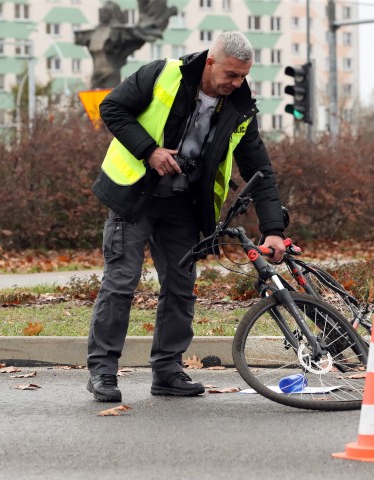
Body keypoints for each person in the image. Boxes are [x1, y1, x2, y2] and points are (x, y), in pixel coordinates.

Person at [87, 31, 286, 402]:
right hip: (135, 197)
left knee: (180, 288)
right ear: (210, 62)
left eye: (243, 75)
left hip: (183, 206)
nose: (236, 82)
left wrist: (273, 229)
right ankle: (103, 373)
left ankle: (167, 371)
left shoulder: (241, 107)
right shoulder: (163, 74)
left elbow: (261, 170)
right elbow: (112, 107)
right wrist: (150, 151)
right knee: (121, 282)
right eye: (230, 74)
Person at [74, 0, 176, 89]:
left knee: (109, 101)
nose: (103, 14)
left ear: (112, 13)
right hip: (96, 74)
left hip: (111, 74)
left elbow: (136, 34)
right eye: (103, 11)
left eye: (106, 12)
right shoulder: (94, 33)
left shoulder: (118, 33)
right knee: (92, 101)